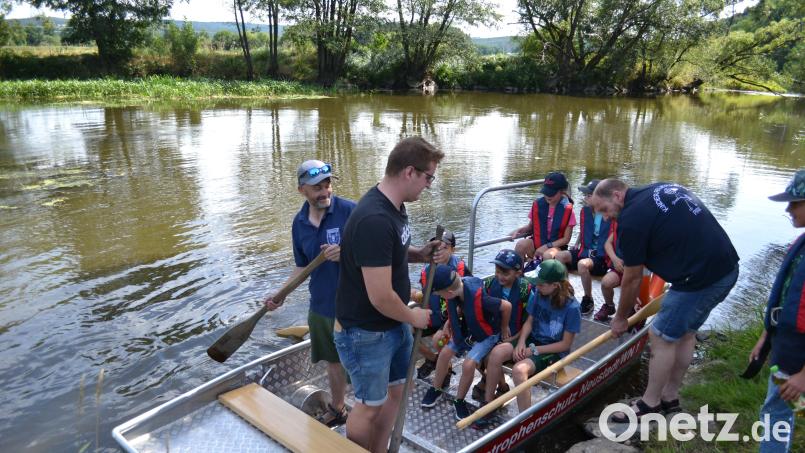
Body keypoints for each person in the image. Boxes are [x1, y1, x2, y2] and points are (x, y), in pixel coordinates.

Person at [591, 179, 739, 421]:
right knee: (685, 333)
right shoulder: (657, 188)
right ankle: (670, 397)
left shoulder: (631, 221)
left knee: (660, 336)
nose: (605, 218)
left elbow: (631, 279)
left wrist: (620, 319)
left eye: (605, 210)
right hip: (726, 268)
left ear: (617, 195)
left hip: (699, 279)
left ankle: (650, 404)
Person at [334, 136, 444, 453]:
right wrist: (413, 316)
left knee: (395, 394)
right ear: (410, 172)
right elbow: (380, 296)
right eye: (428, 177)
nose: (429, 185)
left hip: (392, 327)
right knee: (368, 406)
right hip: (366, 333)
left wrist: (420, 253)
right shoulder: (375, 218)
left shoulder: (394, 208)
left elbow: (389, 251)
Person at [263, 159, 355, 426]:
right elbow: (302, 267)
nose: (325, 191)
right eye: (317, 187)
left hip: (354, 307)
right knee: (333, 362)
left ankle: (365, 414)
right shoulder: (299, 223)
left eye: (327, 184)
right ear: (301, 189)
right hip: (321, 307)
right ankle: (339, 409)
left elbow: (379, 251)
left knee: (359, 365)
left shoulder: (351, 211)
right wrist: (280, 294)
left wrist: (347, 253)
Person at [749, 169, 805, 453]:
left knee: (776, 415)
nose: (788, 209)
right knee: (783, 410)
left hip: (799, 362)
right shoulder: (802, 243)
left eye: (795, 202)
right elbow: (786, 297)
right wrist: (765, 335)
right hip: (787, 350)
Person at [420, 264, 512, 422]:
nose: (438, 296)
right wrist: (449, 322)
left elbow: (506, 306)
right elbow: (461, 308)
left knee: (468, 364)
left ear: (448, 293)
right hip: (467, 331)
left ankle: (459, 400)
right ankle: (436, 388)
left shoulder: (481, 299)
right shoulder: (456, 291)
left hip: (486, 336)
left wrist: (504, 327)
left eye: (438, 293)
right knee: (444, 353)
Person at [511, 259, 581, 412]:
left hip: (552, 351)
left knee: (519, 370)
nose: (537, 286)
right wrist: (522, 342)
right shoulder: (539, 293)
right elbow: (529, 322)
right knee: (496, 353)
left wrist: (534, 350)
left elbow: (565, 345)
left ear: (555, 286)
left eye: (541, 284)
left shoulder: (572, 308)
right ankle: (492, 397)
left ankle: (524, 419)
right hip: (532, 340)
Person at [473, 249, 533, 406]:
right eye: (497, 271)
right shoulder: (489, 284)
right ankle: (501, 385)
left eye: (505, 273)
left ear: (518, 273)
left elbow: (530, 322)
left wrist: (514, 339)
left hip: (516, 335)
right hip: (494, 333)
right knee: (474, 353)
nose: (500, 276)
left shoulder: (525, 290)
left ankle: (491, 396)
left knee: (490, 356)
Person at [414, 230, 470, 384]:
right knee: (404, 329)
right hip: (433, 316)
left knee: (439, 340)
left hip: (452, 319)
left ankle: (446, 370)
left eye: (444, 247)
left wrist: (448, 325)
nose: (438, 251)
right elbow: (425, 296)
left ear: (453, 249)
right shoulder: (427, 269)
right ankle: (433, 359)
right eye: (436, 247)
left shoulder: (460, 269)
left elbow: (464, 302)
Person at [556, 179, 610, 315]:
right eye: (585, 194)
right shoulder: (585, 211)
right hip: (584, 251)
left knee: (582, 265)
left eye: (589, 195)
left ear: (600, 197)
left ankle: (588, 299)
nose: (585, 197)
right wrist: (576, 243)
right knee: (559, 256)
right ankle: (566, 292)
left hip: (601, 257)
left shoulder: (610, 214)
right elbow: (584, 230)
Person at [510, 172, 576, 266]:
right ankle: (520, 276)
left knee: (547, 255)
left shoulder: (568, 210)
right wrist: (519, 230)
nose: (548, 196)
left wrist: (547, 246)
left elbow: (566, 239)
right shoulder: (538, 205)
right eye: (546, 192)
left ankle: (545, 279)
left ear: (561, 192)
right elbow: (530, 226)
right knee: (521, 245)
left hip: (556, 247)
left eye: (552, 193)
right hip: (537, 243)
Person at [594, 229, 622, 322]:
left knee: (631, 285)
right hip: (620, 266)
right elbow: (608, 244)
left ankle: (632, 311)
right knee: (606, 283)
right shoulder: (622, 225)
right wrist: (615, 259)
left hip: (637, 270)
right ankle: (609, 306)